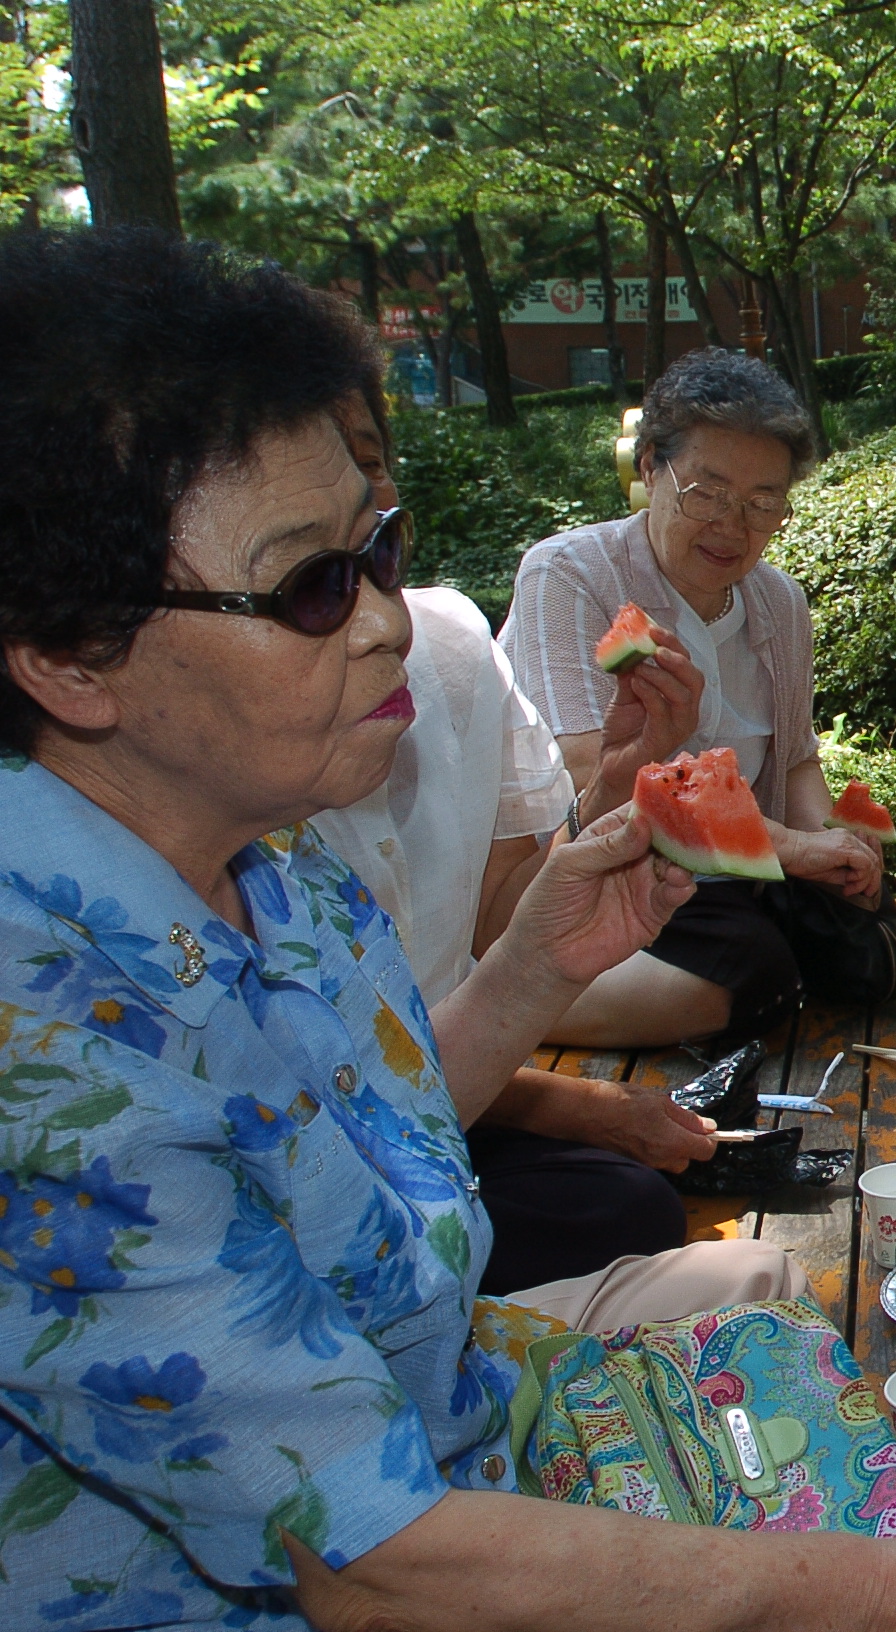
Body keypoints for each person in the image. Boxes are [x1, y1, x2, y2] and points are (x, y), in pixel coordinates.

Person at [0, 228, 896, 1632]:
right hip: (321, 1572)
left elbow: (362, 1132)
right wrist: (856, 1591)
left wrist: (538, 962)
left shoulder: (272, 862)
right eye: (313, 585)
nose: (388, 622)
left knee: (771, 1282)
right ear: (73, 655)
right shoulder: (45, 1055)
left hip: (455, 1398)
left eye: (381, 550)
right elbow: (366, 1565)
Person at [314, 376, 717, 1294]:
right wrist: (584, 1106)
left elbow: (500, 922)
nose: (377, 615)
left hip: (439, 1094)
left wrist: (618, 781)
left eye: (363, 468)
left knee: (634, 1205)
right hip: (354, 1148)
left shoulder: (450, 645)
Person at [502, 348, 896, 1048]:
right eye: (707, 492)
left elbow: (794, 766)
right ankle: (502, 995)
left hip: (745, 876)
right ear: (650, 471)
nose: (733, 526)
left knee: (877, 960)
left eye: (763, 503)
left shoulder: (778, 602)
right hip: (608, 869)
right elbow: (591, 778)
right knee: (753, 971)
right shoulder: (568, 575)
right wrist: (788, 850)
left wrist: (836, 848)